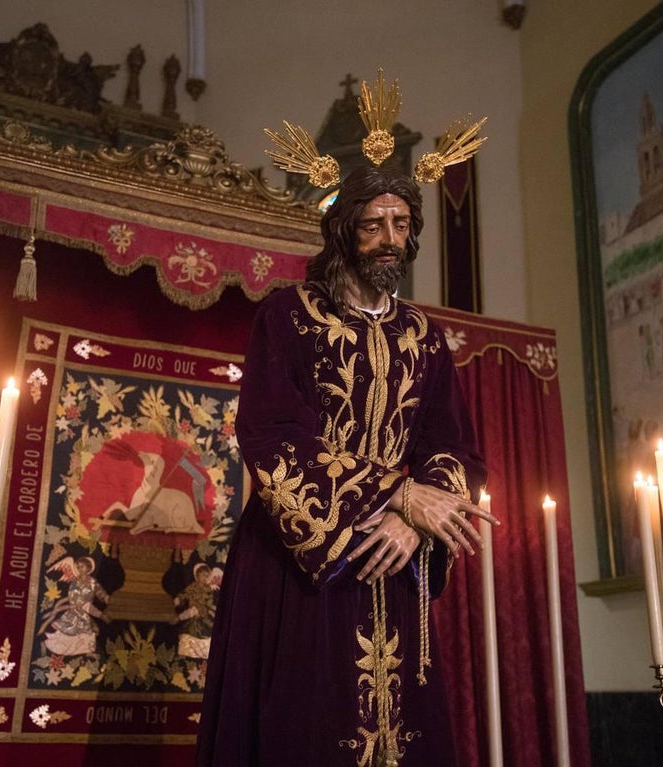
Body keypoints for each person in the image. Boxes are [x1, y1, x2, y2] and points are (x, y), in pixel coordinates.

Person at [196, 165, 493, 767]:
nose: (389, 239)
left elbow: (452, 446)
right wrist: (396, 495)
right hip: (300, 564)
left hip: (395, 559)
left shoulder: (425, 337)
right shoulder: (288, 316)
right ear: (343, 230)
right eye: (373, 225)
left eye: (401, 225)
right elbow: (272, 433)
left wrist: (412, 519)